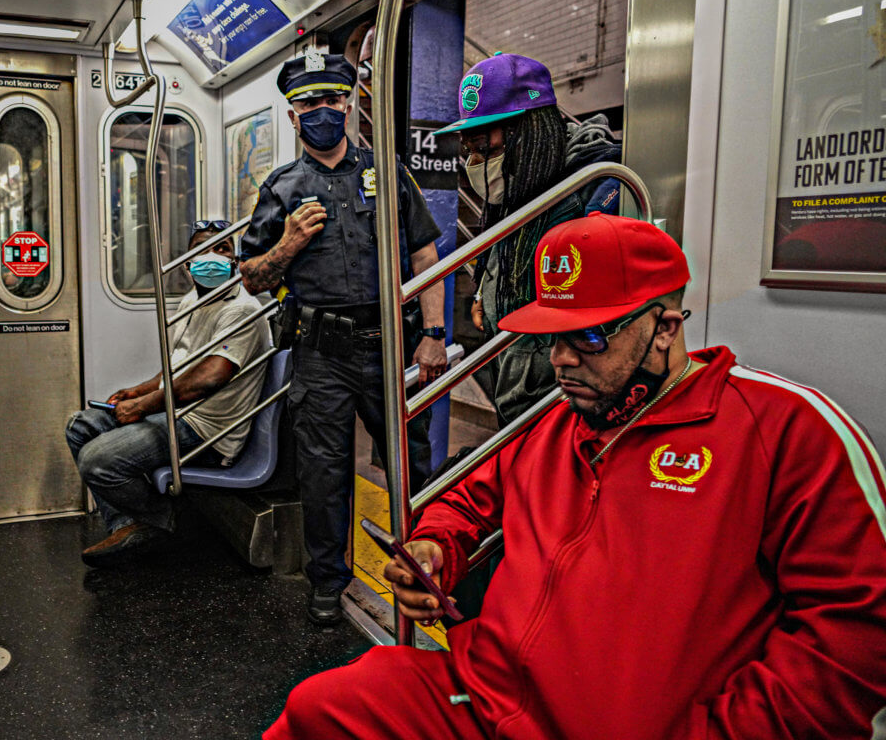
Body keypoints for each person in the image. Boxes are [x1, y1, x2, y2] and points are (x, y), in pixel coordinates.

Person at [264, 212, 886, 739]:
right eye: (553, 337)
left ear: (664, 329)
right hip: (485, 698)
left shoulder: (783, 431)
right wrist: (436, 545)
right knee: (317, 709)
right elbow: (469, 498)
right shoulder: (561, 426)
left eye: (588, 337)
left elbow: (856, 634)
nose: (561, 360)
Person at [240, 50, 448, 625]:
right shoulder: (282, 188)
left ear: (349, 103)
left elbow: (425, 251)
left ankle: (429, 569)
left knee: (414, 466)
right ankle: (329, 583)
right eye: (309, 102)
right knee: (323, 475)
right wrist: (288, 244)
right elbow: (253, 276)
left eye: (332, 99)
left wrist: (433, 333)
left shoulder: (387, 171)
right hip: (321, 351)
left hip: (389, 345)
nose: (323, 111)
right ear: (293, 115)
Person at [434, 52, 622, 425]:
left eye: (486, 150)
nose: (476, 163)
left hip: (567, 403)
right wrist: (485, 293)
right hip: (517, 387)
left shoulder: (596, 190)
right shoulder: (522, 185)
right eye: (469, 151)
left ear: (531, 131)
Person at [68, 222, 271, 566]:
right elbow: (179, 364)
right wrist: (141, 389)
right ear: (188, 262)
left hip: (207, 429)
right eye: (202, 249)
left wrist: (143, 405)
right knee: (80, 427)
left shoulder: (242, 310)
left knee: (97, 461)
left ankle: (162, 521)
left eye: (222, 249)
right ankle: (127, 524)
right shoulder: (194, 300)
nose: (212, 256)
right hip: (178, 412)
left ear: (236, 260)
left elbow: (207, 379)